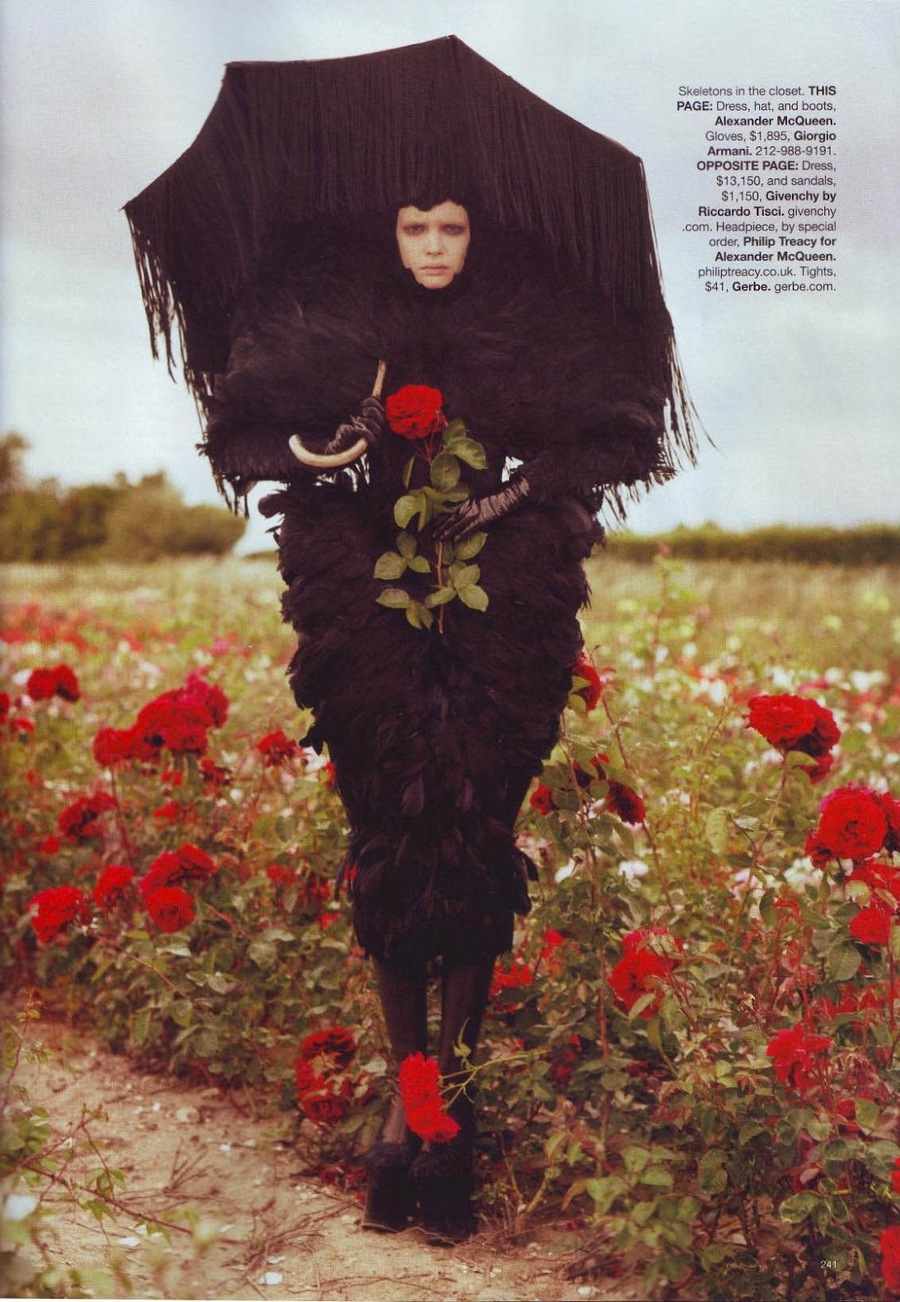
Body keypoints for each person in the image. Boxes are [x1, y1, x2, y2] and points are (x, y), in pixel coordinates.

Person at [201, 193, 681, 1242]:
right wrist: (334, 446)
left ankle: (447, 1120)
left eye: (450, 227)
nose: (431, 245)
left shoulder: (527, 318)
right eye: (414, 226)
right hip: (362, 596)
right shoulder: (331, 319)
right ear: (389, 233)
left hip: (501, 600)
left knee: (471, 834)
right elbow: (243, 440)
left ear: (476, 235)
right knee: (388, 835)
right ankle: (404, 1106)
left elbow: (612, 440)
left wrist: (506, 498)